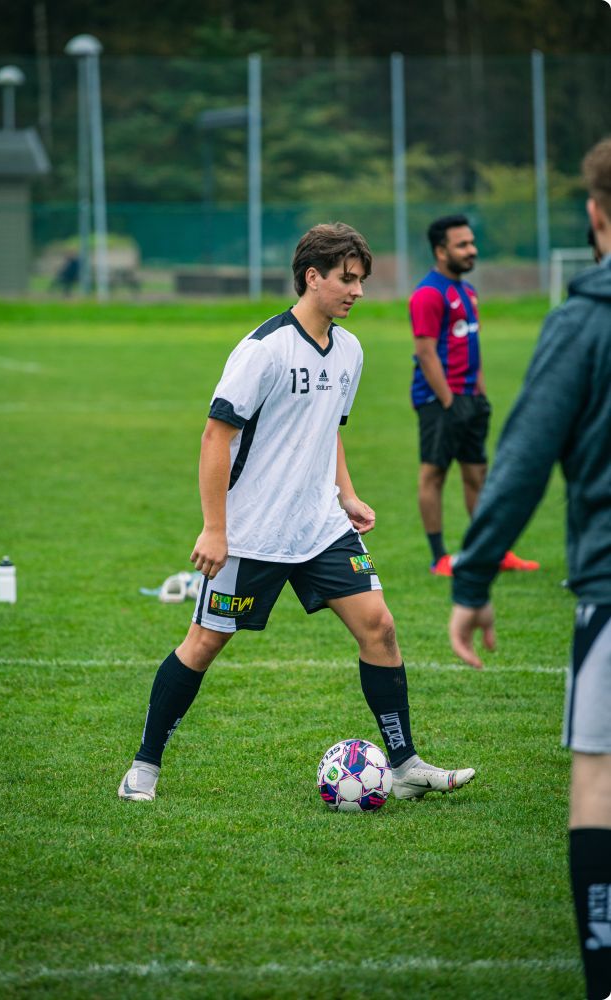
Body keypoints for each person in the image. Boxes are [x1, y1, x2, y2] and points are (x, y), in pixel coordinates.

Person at [119, 222, 476, 804]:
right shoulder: (264, 349)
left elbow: (327, 431)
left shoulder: (350, 350)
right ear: (312, 277)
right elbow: (215, 436)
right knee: (203, 644)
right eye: (347, 279)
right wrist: (215, 528)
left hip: (321, 527)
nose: (358, 291)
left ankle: (406, 764)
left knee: (380, 627)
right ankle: (144, 766)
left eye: (361, 280)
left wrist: (346, 494)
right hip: (253, 532)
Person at [449, 139, 611, 1000]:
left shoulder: (584, 322)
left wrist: (472, 580)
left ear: (594, 214)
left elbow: (519, 464)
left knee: (600, 779)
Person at [408, 214, 540, 577]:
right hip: (439, 400)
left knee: (477, 475)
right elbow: (425, 352)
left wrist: (478, 392)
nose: (472, 250)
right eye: (462, 245)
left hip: (471, 397)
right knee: (434, 474)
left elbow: (470, 346)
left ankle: (493, 551)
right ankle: (440, 558)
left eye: (472, 243)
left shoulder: (467, 292)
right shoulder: (428, 294)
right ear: (441, 251)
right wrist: (448, 400)